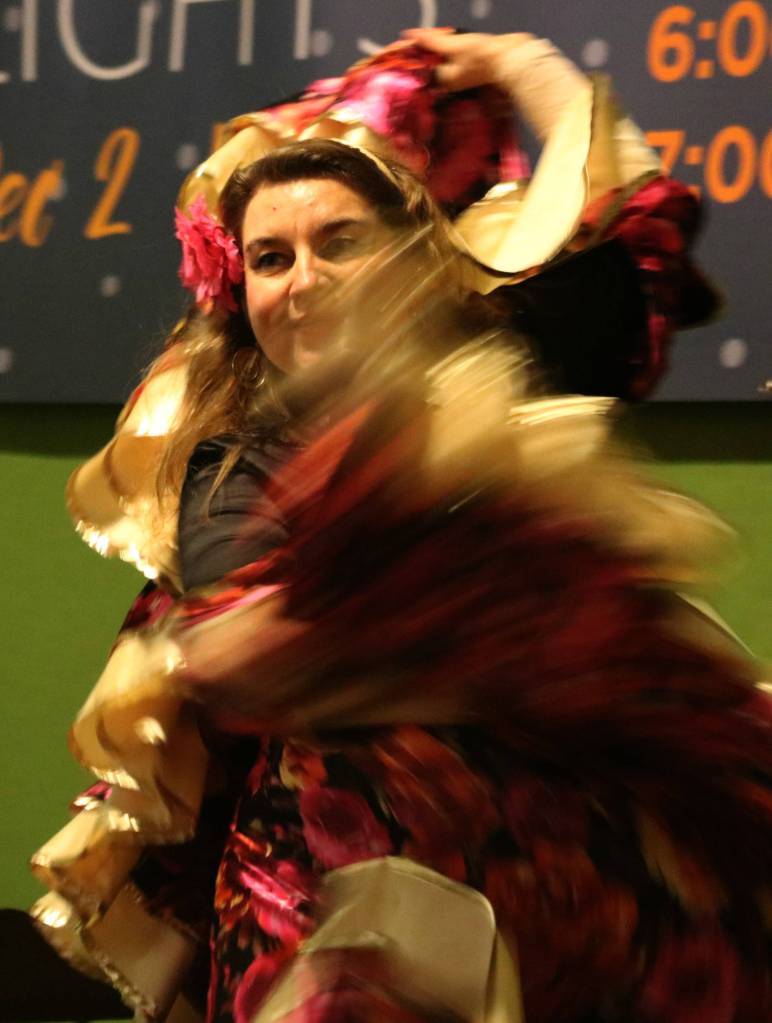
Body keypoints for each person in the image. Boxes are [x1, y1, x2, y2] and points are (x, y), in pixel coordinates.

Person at [21, 28, 771, 1023]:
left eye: (341, 240)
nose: (305, 280)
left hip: (587, 888)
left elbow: (634, 230)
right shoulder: (233, 455)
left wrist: (520, 69)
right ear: (238, 293)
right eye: (269, 258)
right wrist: (490, 594)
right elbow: (242, 655)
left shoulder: (512, 374)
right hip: (346, 899)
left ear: (415, 256)